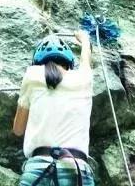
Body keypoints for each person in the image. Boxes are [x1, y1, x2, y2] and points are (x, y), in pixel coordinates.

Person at [13, 32, 95, 186]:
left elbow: (18, 129)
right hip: (76, 168)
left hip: (38, 168)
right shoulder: (84, 78)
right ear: (69, 63)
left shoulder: (32, 75)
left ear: (38, 62)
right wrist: (84, 40)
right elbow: (86, 62)